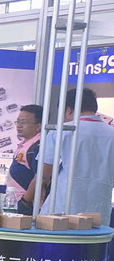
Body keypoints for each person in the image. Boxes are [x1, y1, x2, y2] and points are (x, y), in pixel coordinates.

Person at [40, 88, 114, 222]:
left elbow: (44, 174)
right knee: (95, 235)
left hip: (62, 206)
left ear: (68, 110)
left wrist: (27, 200)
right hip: (99, 207)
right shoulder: (111, 134)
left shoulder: (61, 131)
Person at [7, 104, 42, 215]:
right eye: (18, 122)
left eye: (24, 122)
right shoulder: (24, 143)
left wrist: (25, 202)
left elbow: (41, 177)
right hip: (14, 202)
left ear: (38, 126)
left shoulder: (38, 147)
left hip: (28, 207)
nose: (19, 126)